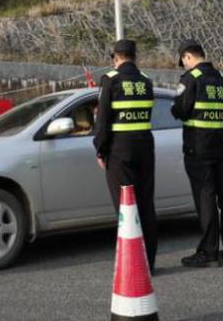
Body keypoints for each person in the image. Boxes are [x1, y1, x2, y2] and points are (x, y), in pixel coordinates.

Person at [171, 38, 223, 267]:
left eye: (184, 60)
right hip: (219, 144)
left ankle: (208, 252)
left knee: (205, 197)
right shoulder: (222, 81)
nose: (184, 64)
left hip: (197, 145)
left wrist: (176, 108)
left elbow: (181, 109)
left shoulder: (191, 78)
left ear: (187, 57)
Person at [93, 38, 157, 271]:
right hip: (145, 148)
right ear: (134, 56)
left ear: (116, 57)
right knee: (145, 204)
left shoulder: (110, 79)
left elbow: (102, 121)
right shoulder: (146, 80)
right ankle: (149, 262)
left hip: (120, 151)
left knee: (126, 207)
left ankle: (134, 265)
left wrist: (100, 150)